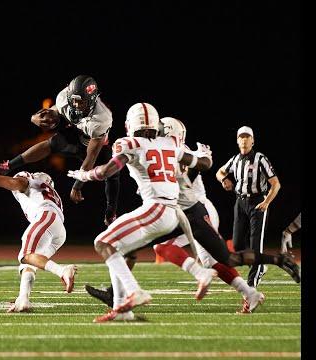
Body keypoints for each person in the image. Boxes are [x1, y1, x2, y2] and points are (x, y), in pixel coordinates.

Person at [84, 117, 300, 314]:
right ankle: (253, 289)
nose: (152, 134)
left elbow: (195, 168)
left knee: (163, 248)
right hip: (180, 212)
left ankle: (126, 293)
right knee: (222, 259)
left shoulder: (171, 150)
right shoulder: (168, 148)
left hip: (193, 211)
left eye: (158, 131)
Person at [68, 103, 218, 322]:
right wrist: (204, 153)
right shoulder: (170, 142)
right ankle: (122, 309)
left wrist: (84, 176)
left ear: (131, 124)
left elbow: (107, 171)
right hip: (171, 211)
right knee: (118, 248)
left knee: (102, 243)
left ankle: (134, 291)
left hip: (157, 208)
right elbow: (203, 164)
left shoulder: (129, 144)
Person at [0, 75, 120, 226]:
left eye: (81, 101)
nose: (76, 105)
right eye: (74, 100)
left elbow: (91, 156)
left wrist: (77, 186)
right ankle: (8, 166)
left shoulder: (102, 117)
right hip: (76, 134)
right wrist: (36, 118)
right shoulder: (63, 98)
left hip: (94, 146)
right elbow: (45, 114)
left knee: (112, 173)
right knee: (52, 143)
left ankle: (111, 211)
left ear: (92, 99)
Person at [0, 145, 77, 312]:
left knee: (25, 255)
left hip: (45, 217)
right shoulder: (49, 191)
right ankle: (23, 300)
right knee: (29, 262)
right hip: (58, 229)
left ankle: (62, 270)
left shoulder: (27, 181)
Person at [216, 126, 281, 288]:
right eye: (241, 137)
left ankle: (252, 284)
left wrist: (266, 202)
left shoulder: (260, 158)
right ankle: (260, 264)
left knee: (255, 244)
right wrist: (224, 180)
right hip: (240, 202)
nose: (244, 140)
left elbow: (276, 184)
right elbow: (219, 172)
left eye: (247, 137)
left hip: (258, 202)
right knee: (237, 244)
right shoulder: (235, 159)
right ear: (237, 141)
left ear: (253, 140)